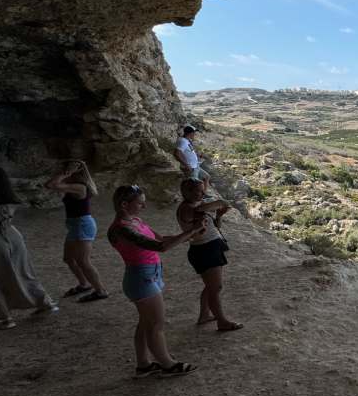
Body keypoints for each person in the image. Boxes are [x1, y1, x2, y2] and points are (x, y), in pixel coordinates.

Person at [107, 184, 203, 377]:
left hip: (148, 275)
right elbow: (159, 247)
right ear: (124, 204)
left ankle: (143, 364)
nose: (144, 207)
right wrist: (190, 232)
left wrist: (189, 234)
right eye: (140, 203)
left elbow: (162, 239)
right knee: (156, 324)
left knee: (146, 323)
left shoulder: (134, 221)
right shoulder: (121, 230)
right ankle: (167, 365)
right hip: (141, 278)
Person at [176, 179, 242, 332]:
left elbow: (215, 226)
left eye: (203, 190)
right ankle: (222, 321)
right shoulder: (187, 208)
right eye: (199, 191)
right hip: (204, 250)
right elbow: (202, 209)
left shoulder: (197, 206)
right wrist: (221, 201)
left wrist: (219, 215)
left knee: (211, 286)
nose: (203, 194)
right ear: (186, 192)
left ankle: (204, 315)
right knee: (215, 287)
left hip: (211, 246)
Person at [0, 168, 58, 328]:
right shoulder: (8, 196)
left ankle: (4, 318)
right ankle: (45, 303)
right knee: (25, 272)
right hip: (13, 235)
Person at [44, 159, 109, 302]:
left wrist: (66, 173)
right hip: (75, 226)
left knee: (83, 261)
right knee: (68, 259)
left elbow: (50, 185)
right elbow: (51, 184)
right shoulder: (75, 185)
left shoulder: (80, 187)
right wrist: (67, 173)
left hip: (82, 225)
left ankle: (100, 290)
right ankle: (84, 284)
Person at [173, 125, 211, 191]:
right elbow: (176, 153)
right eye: (194, 133)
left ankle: (203, 194)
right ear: (190, 133)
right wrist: (186, 165)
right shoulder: (183, 141)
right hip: (191, 168)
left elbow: (190, 152)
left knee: (207, 177)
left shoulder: (187, 141)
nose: (194, 134)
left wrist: (201, 156)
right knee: (194, 186)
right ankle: (196, 198)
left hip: (195, 166)